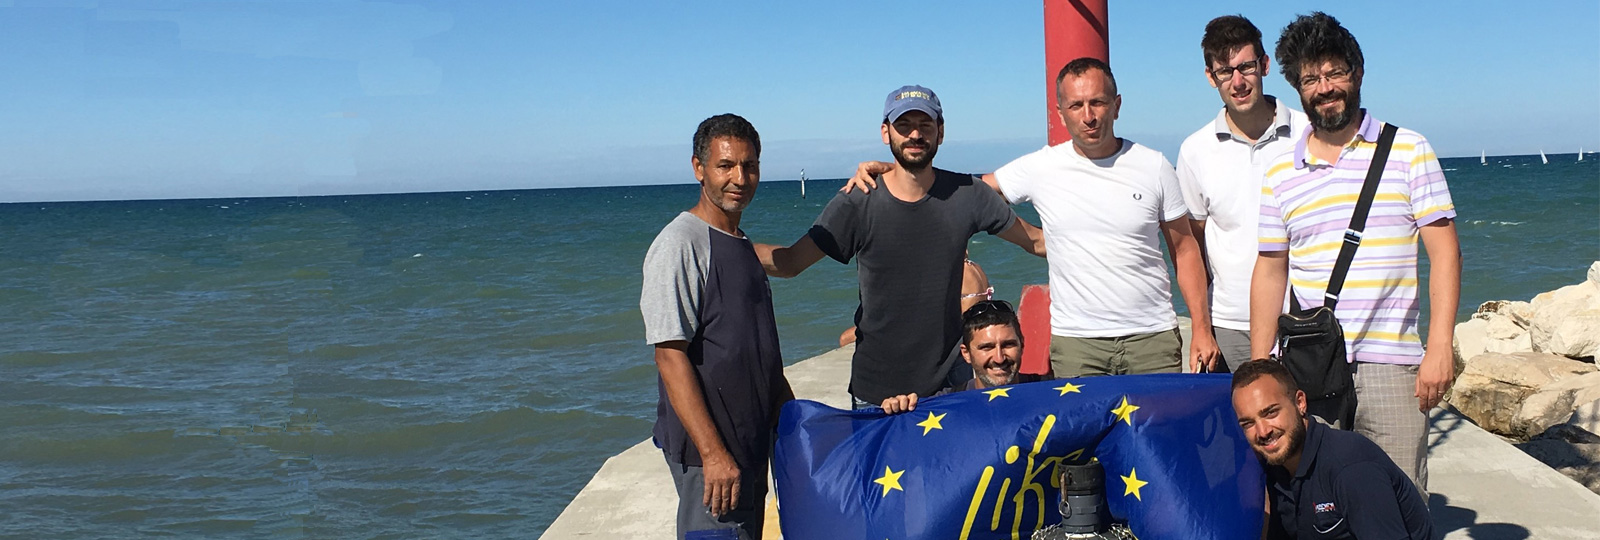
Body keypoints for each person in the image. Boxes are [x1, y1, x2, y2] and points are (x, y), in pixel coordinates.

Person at [845, 60, 1219, 379]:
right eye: (1076, 106)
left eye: (1097, 103)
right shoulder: (1042, 166)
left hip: (1152, 338)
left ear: (1116, 105)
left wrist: (1201, 329)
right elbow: (965, 193)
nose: (1088, 116)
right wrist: (898, 174)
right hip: (1077, 344)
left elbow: (1185, 249)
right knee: (1084, 442)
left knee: (1153, 437)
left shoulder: (1153, 166)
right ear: (1060, 112)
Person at [1249, 12, 1462, 492]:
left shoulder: (1409, 150)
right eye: (1311, 79)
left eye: (1335, 73)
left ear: (1358, 72)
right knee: (1320, 501)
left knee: (1399, 500)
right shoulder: (1280, 171)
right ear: (1297, 88)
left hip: (1393, 366)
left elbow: (1445, 253)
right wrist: (1263, 363)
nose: (1325, 88)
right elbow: (1271, 269)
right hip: (1310, 365)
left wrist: (1439, 347)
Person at [756, 85, 1047, 410]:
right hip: (877, 390)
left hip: (949, 386)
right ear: (886, 132)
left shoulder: (968, 194)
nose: (915, 135)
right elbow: (791, 262)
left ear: (940, 132)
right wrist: (721, 242)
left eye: (925, 125)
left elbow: (1036, 241)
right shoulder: (858, 201)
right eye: (904, 125)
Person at [641, 114, 795, 539]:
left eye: (749, 166)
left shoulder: (739, 242)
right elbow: (669, 357)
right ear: (699, 168)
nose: (739, 178)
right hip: (710, 458)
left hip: (749, 444)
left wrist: (789, 419)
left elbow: (756, 349)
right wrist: (713, 455)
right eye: (725, 166)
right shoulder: (680, 244)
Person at [1175, 15, 1311, 372]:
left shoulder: (1308, 132)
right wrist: (1202, 327)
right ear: (1211, 77)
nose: (1237, 82)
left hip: (1305, 319)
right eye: (1225, 71)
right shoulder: (1195, 150)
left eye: (1246, 67)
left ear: (1264, 65)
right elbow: (1193, 247)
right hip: (1230, 325)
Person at [1232, 359, 1434, 539]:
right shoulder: (1276, 467)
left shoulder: (1351, 468)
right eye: (1248, 423)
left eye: (1270, 413)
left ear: (1300, 403)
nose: (1263, 431)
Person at [880, 299, 1038, 413]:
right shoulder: (943, 405)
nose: (999, 358)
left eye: (1008, 345)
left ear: (1022, 345)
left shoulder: (1048, 391)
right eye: (986, 347)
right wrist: (895, 412)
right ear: (966, 354)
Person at [838, 255, 991, 347]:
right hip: (972, 331)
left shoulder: (956, 272)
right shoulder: (976, 269)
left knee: (846, 337)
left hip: (956, 338)